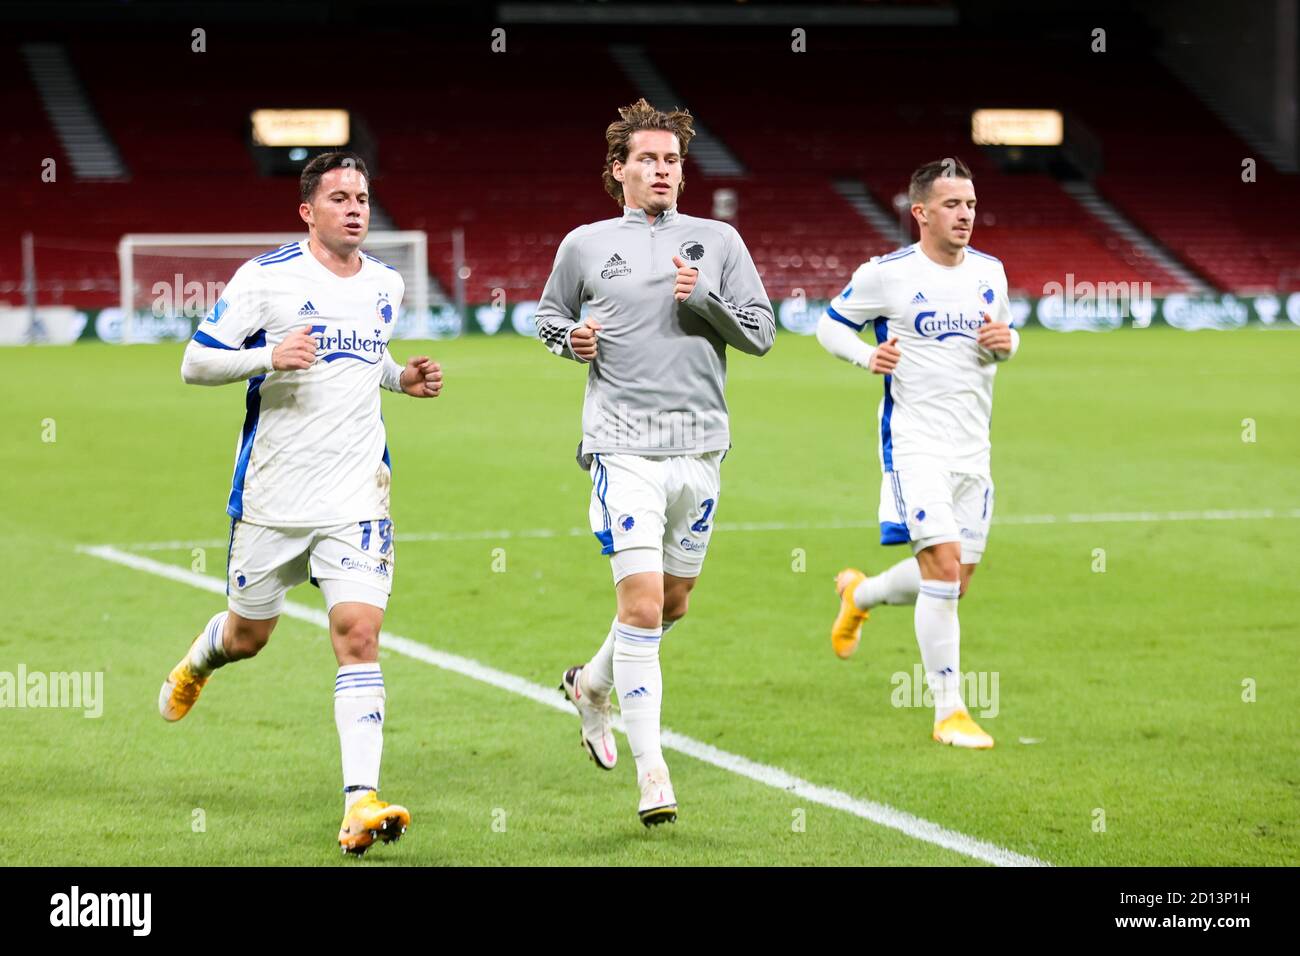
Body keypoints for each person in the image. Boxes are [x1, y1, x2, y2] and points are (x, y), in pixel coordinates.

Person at [157, 151, 443, 854]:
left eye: (364, 197)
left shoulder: (385, 283)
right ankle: (202, 656)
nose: (356, 207)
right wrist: (267, 357)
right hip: (273, 500)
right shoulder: (265, 278)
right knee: (249, 638)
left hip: (356, 497)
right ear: (307, 211)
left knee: (358, 636)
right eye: (340, 196)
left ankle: (358, 803)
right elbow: (195, 362)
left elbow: (364, 355)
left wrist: (400, 378)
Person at [534, 99, 774, 824]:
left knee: (673, 605)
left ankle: (590, 684)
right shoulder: (584, 243)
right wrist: (568, 337)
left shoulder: (719, 241)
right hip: (622, 445)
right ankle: (654, 773)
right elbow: (546, 316)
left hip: (700, 447)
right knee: (640, 607)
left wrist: (705, 299)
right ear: (619, 169)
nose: (663, 170)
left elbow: (761, 334)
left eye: (672, 160)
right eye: (648, 159)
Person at [815, 157, 1019, 749]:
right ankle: (949, 711)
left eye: (972, 205)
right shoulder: (887, 274)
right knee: (944, 568)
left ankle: (861, 594)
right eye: (953, 205)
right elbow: (829, 326)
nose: (965, 215)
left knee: (955, 583)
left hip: (973, 451)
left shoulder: (991, 272)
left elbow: (1000, 340)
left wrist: (1009, 344)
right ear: (921, 211)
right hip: (915, 447)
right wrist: (864, 357)